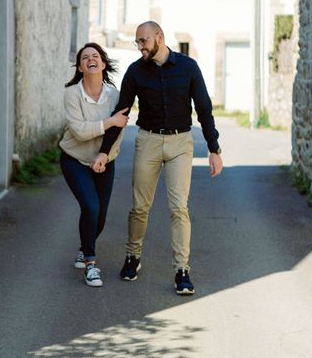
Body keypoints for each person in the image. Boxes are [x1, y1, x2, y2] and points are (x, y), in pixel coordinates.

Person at [92, 21, 223, 295]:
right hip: (148, 140)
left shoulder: (188, 67)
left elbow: (203, 108)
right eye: (137, 42)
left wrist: (214, 149)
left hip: (180, 143)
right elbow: (121, 114)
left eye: (144, 41)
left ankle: (182, 270)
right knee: (140, 207)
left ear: (159, 38)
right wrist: (104, 150)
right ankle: (133, 256)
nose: (140, 47)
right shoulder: (135, 71)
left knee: (179, 208)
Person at [59, 42, 128, 287]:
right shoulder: (72, 94)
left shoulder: (114, 95)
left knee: (100, 216)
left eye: (95, 55)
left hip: (104, 161)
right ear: (80, 66)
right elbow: (79, 131)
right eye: (85, 57)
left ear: (103, 63)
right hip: (74, 159)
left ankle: (83, 246)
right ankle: (90, 263)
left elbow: (119, 131)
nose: (91, 58)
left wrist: (104, 156)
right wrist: (110, 122)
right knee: (90, 206)